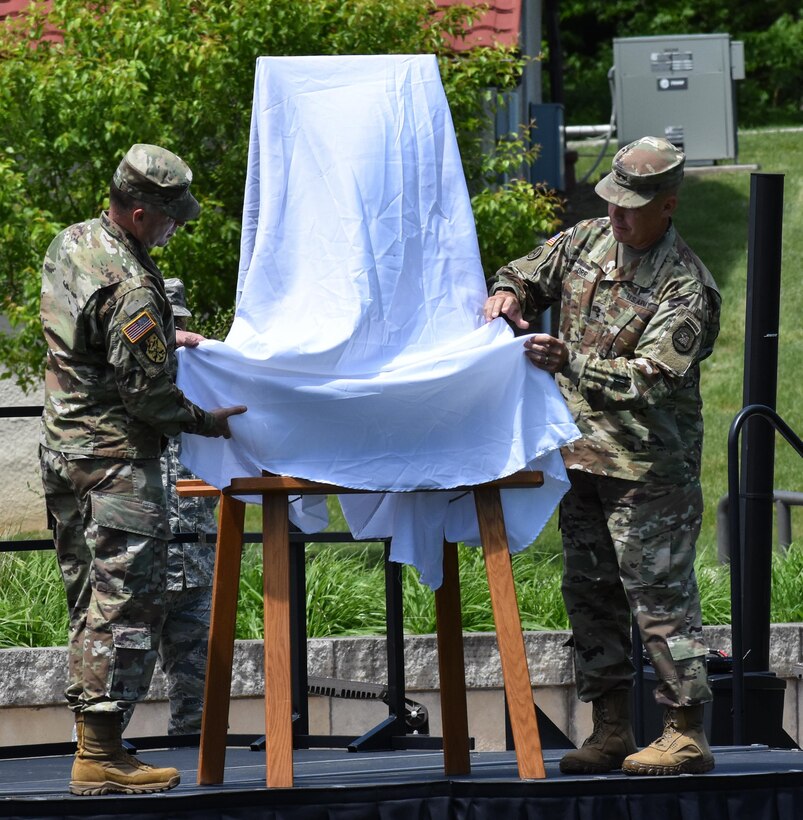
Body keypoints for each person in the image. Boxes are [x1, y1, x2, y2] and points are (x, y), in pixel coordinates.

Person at [484, 136, 721, 776]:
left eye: (632, 207)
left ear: (668, 206)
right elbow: (526, 272)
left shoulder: (686, 287)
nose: (617, 217)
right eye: (612, 202)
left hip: (648, 473)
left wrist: (571, 361)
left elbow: (654, 376)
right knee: (590, 596)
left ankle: (685, 732)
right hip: (581, 461)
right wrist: (508, 293)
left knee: (660, 601)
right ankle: (612, 727)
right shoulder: (587, 239)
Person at [39, 143, 247, 796]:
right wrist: (210, 421)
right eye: (169, 217)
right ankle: (100, 755)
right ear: (135, 212)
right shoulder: (131, 285)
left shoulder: (72, 241)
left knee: (88, 600)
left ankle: (95, 745)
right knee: (126, 604)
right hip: (116, 464)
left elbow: (92, 341)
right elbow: (149, 398)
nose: (175, 227)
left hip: (65, 451)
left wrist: (156, 334)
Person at [121, 277, 218, 737]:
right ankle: (101, 755)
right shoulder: (123, 377)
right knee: (120, 679)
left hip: (195, 563)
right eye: (166, 327)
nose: (178, 338)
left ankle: (197, 768)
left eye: (179, 326)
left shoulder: (206, 381)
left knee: (197, 694)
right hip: (140, 561)